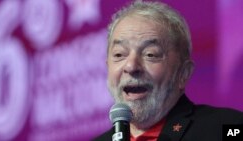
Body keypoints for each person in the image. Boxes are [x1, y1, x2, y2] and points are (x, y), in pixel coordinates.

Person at [94, 0, 243, 141]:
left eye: (150, 54)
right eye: (119, 54)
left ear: (183, 74)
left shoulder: (227, 128)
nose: (131, 66)